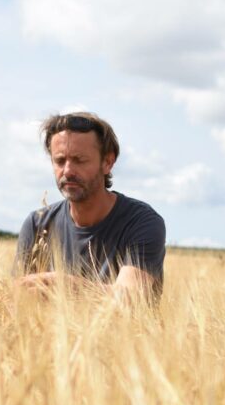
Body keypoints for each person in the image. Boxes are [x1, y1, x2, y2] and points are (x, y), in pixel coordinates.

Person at [14, 112, 166, 299]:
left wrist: (62, 285)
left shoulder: (141, 222)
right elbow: (18, 302)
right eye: (60, 161)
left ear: (107, 162)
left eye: (79, 160)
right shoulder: (37, 225)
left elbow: (130, 298)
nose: (68, 171)